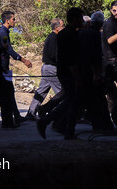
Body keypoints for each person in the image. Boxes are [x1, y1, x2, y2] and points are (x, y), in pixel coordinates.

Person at [37, 7, 85, 140]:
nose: (82, 21)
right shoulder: (70, 35)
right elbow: (71, 59)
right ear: (75, 19)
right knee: (72, 101)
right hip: (69, 73)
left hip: (63, 71)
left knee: (71, 101)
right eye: (80, 18)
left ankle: (61, 127)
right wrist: (77, 78)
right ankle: (51, 122)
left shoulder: (65, 34)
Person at [78, 11, 113, 130]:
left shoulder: (84, 32)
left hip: (85, 71)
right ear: (101, 23)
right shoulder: (95, 34)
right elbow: (94, 56)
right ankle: (104, 126)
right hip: (91, 72)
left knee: (91, 100)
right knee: (98, 100)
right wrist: (97, 73)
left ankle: (100, 124)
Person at [26, 18, 64, 120]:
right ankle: (61, 114)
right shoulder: (54, 38)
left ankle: (31, 112)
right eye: (62, 26)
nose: (64, 28)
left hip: (47, 68)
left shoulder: (52, 37)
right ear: (57, 28)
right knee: (62, 92)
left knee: (41, 91)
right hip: (52, 69)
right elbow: (54, 55)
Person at [0, 11, 33, 125]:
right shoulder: (2, 32)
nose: (15, 21)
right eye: (13, 19)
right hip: (2, 68)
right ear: (7, 21)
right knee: (4, 93)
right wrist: (23, 60)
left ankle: (16, 116)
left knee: (8, 92)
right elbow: (9, 50)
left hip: (4, 67)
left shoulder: (4, 32)